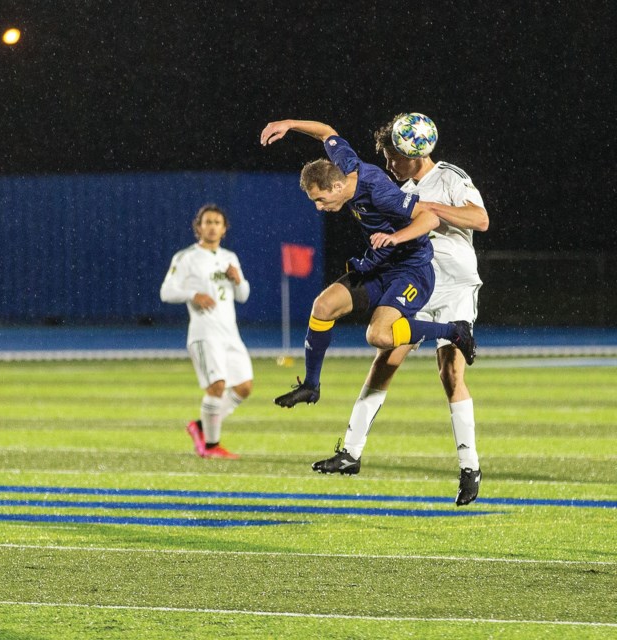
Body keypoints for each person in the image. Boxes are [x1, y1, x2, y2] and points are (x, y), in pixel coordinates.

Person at [310, 115, 488, 506]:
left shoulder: (449, 176)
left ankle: (469, 466)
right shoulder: (394, 186)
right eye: (386, 155)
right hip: (417, 280)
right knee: (384, 357)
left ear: (416, 153)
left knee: (450, 371)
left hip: (455, 285)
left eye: (394, 156)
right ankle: (351, 452)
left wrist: (430, 209)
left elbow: (480, 219)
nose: (389, 163)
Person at [258, 118, 478, 409]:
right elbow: (327, 133)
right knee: (323, 307)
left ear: (337, 186)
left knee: (379, 335)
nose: (319, 207)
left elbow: (430, 217)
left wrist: (396, 237)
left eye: (321, 200)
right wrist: (289, 124)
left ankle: (454, 331)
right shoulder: (345, 165)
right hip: (380, 265)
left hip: (410, 268)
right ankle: (311, 386)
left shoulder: (380, 192)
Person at [160, 204, 253, 459]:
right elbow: (166, 291)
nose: (212, 226)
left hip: (230, 333)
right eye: (207, 222)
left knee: (244, 386)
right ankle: (211, 447)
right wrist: (193, 294)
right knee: (217, 386)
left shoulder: (230, 258)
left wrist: (238, 279)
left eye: (217, 223)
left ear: (224, 229)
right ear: (198, 227)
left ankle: (201, 426)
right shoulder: (186, 257)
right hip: (204, 333)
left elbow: (243, 296)